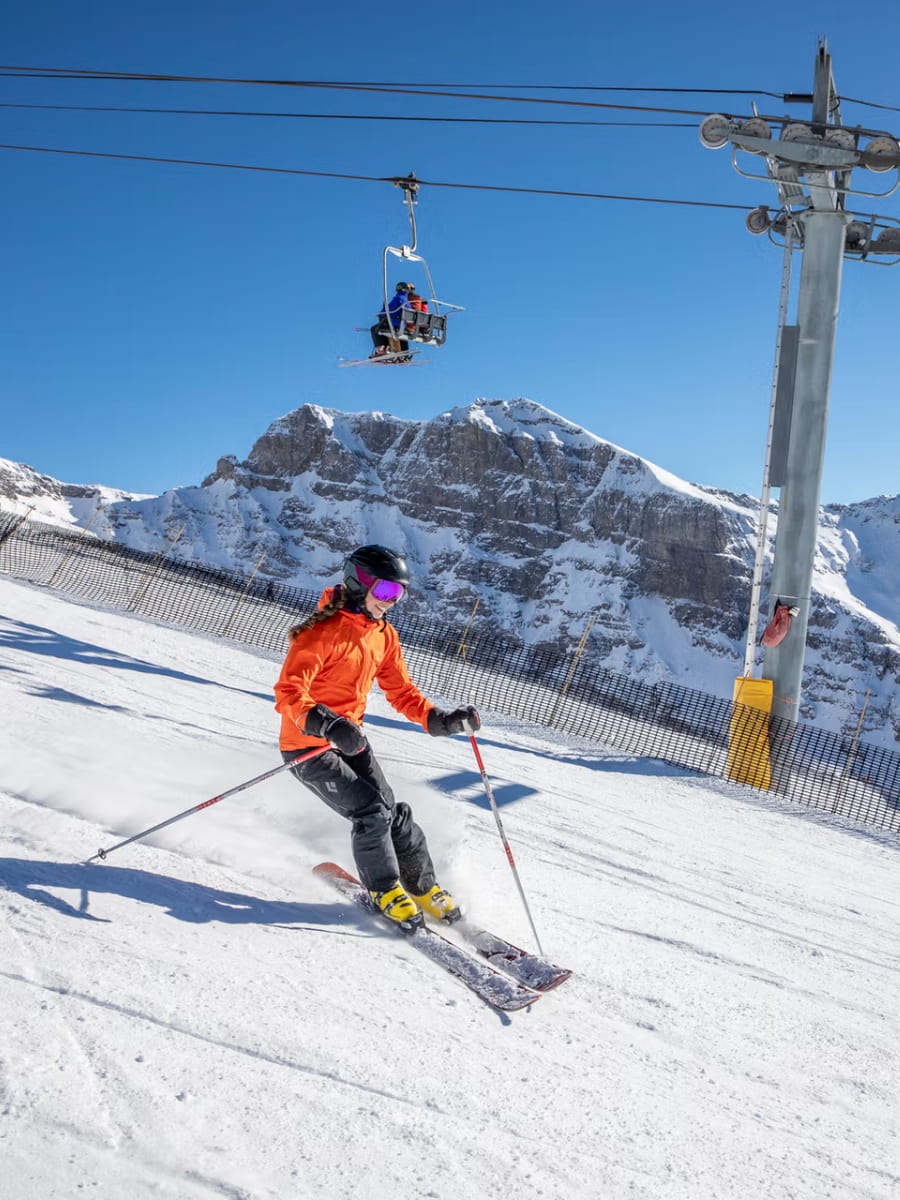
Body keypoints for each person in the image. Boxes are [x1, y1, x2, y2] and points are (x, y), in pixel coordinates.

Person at [275, 544, 481, 929]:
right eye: (385, 592)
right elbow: (289, 694)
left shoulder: (383, 635)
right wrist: (326, 724)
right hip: (307, 746)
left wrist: (440, 719)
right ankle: (385, 889)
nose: (391, 602)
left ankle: (422, 886)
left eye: (398, 595)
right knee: (370, 813)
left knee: (393, 812)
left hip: (349, 740)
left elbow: (401, 692)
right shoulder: (320, 633)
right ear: (359, 584)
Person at [369, 282, 413, 358]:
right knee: (396, 333)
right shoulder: (407, 301)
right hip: (402, 325)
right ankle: (404, 354)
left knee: (375, 329)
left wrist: (381, 314)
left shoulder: (398, 299)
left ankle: (382, 349)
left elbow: (386, 310)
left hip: (394, 324)